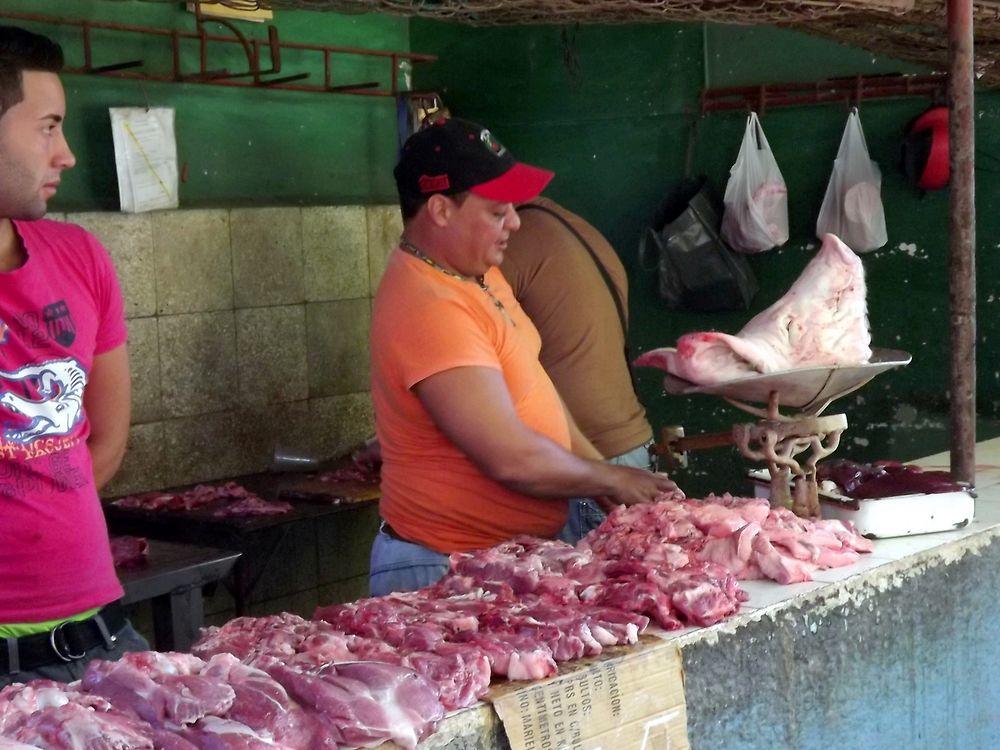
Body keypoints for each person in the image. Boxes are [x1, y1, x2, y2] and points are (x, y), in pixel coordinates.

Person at [368, 117, 682, 596]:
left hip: (502, 561)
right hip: (441, 569)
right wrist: (611, 479)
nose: (515, 221)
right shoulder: (428, 304)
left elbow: (539, 397)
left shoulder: (477, 275)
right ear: (440, 210)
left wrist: (604, 480)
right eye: (497, 211)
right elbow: (509, 457)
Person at [0, 26, 147, 689]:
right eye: (48, 127)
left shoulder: (79, 256)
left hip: (100, 635)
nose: (66, 155)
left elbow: (105, 438)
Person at [500, 198, 655, 543]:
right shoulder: (575, 226)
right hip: (627, 452)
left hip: (588, 464)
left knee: (589, 591)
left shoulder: (515, 240)